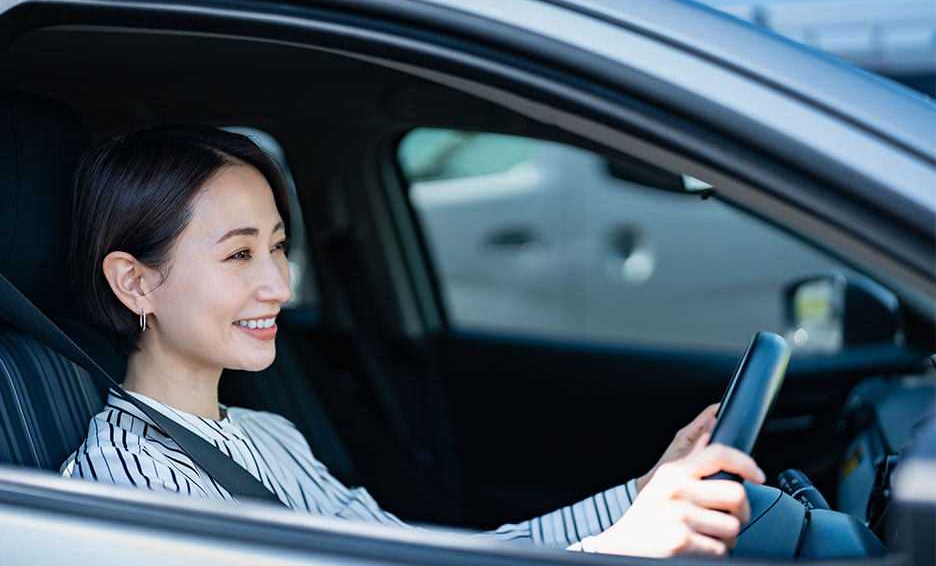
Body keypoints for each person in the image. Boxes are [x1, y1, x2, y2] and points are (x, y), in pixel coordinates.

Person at [61, 125, 765, 557]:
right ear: (135, 284)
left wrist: (637, 498)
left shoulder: (265, 433)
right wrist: (616, 551)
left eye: (279, 247)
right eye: (240, 255)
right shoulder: (135, 486)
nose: (280, 284)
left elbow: (426, 555)